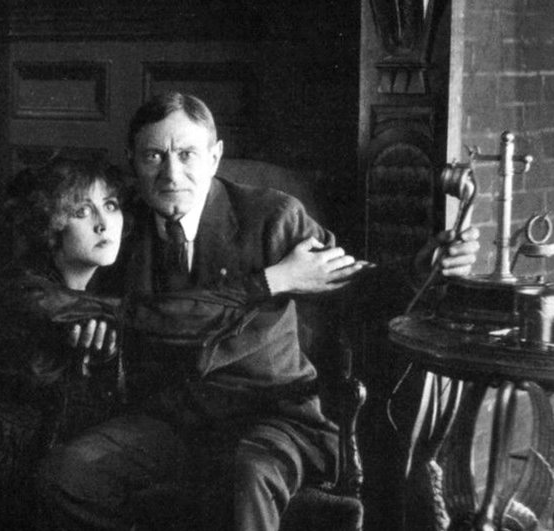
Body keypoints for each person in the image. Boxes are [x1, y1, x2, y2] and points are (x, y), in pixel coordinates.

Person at [36, 92, 480, 530]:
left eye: (187, 154)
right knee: (68, 475)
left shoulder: (272, 216)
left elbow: (359, 288)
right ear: (132, 160)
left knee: (246, 476)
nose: (171, 174)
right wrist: (90, 329)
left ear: (215, 157)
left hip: (274, 415)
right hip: (170, 418)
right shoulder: (118, 226)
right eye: (154, 156)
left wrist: (423, 271)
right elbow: (85, 300)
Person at [0, 157, 337, 530]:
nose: (104, 223)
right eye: (82, 211)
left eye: (112, 206)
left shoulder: (113, 282)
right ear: (51, 227)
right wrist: (270, 282)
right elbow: (153, 319)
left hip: (44, 442)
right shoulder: (28, 292)